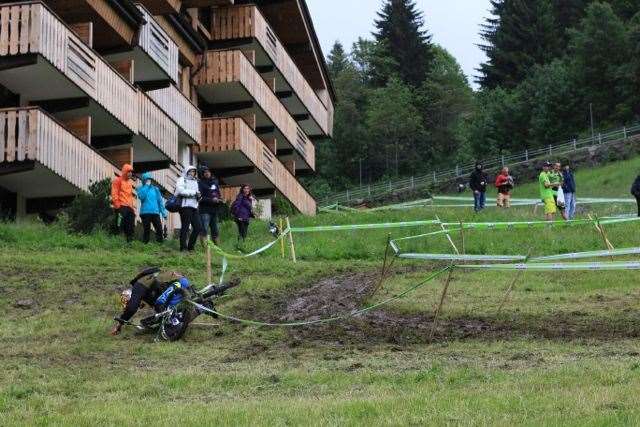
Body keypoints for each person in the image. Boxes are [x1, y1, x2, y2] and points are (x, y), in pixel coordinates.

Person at [110, 268, 190, 336]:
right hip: (181, 283)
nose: (139, 307)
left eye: (129, 302)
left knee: (160, 303)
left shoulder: (138, 286)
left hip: (178, 283)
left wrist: (119, 324)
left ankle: (175, 323)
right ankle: (181, 317)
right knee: (161, 308)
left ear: (131, 296)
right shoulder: (149, 288)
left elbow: (131, 308)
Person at [175, 166, 202, 252]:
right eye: (190, 171)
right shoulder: (182, 179)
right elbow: (180, 191)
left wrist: (199, 196)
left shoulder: (195, 182)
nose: (192, 173)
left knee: (198, 227)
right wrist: (194, 193)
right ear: (186, 171)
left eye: (194, 171)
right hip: (185, 206)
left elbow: (198, 195)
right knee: (185, 227)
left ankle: (191, 247)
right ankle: (183, 247)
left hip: (194, 206)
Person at [138, 172, 167, 244]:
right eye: (147, 179)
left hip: (155, 212)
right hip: (145, 212)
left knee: (159, 229)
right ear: (144, 180)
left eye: (150, 179)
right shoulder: (140, 188)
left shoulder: (155, 189)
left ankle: (160, 244)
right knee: (146, 229)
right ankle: (145, 244)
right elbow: (141, 197)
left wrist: (163, 213)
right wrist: (146, 186)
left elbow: (160, 201)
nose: (148, 181)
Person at [111, 163, 136, 242]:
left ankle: (129, 242)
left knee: (130, 226)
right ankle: (116, 241)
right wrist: (117, 205)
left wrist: (132, 207)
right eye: (129, 172)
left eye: (131, 172)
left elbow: (130, 196)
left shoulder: (130, 183)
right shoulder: (117, 180)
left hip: (129, 207)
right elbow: (114, 193)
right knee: (119, 225)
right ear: (125, 172)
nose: (130, 174)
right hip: (121, 206)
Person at [198, 166, 222, 245]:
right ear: (203, 174)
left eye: (208, 171)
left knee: (215, 229)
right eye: (205, 172)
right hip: (204, 210)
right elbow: (200, 197)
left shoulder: (215, 182)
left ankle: (217, 247)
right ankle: (204, 247)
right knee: (204, 228)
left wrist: (218, 198)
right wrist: (211, 200)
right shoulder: (200, 183)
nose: (207, 173)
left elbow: (218, 193)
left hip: (214, 209)